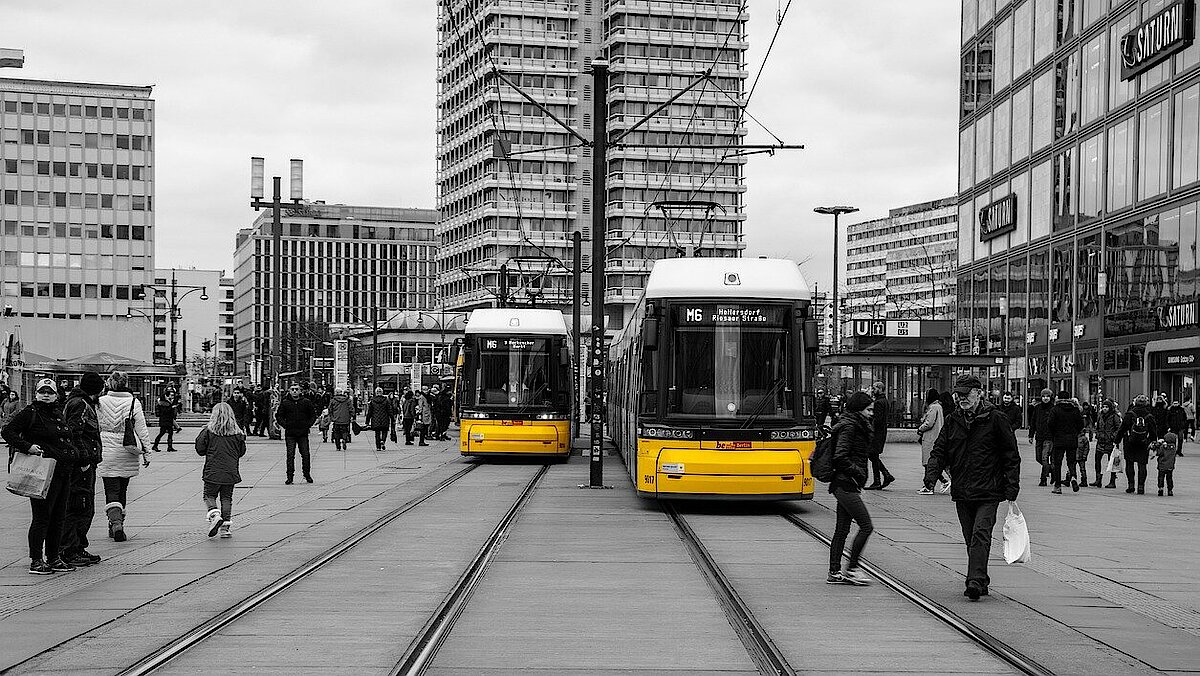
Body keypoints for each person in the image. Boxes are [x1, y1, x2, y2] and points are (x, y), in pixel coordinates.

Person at [923, 374, 1021, 601]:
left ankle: (974, 581)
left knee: (980, 534)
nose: (962, 398)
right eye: (959, 394)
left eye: (967, 394)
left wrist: (1011, 487)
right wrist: (932, 474)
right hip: (963, 489)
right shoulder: (953, 419)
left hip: (989, 489)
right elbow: (940, 449)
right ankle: (981, 578)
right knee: (971, 538)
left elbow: (1011, 455)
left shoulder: (996, 418)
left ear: (979, 393)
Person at [2, 379, 76, 574]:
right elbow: (7, 431)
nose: (45, 395)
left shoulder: (58, 413)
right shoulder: (30, 412)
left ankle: (53, 557)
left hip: (62, 472)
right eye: (42, 391)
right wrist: (28, 447)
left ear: (56, 395)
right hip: (42, 472)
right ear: (36, 393)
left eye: (49, 392)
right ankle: (36, 559)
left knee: (58, 517)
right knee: (42, 517)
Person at [825, 391, 875, 586]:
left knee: (842, 529)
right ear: (858, 410)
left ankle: (834, 572)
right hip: (845, 483)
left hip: (847, 483)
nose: (871, 413)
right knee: (866, 526)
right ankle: (852, 569)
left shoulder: (856, 425)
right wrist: (858, 473)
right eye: (869, 410)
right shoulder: (850, 426)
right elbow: (840, 456)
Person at [96, 371, 152, 542]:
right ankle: (119, 524)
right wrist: (147, 452)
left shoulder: (100, 401)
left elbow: (95, 424)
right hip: (127, 449)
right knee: (123, 489)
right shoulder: (133, 402)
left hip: (106, 449)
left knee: (111, 490)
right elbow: (141, 429)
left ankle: (115, 523)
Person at [60, 372, 105, 568]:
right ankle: (71, 549)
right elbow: (73, 432)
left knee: (82, 504)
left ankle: (76, 546)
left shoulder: (80, 402)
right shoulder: (80, 404)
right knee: (80, 504)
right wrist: (84, 458)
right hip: (81, 465)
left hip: (83, 463)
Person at [195, 402, 247, 538]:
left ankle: (214, 515)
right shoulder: (237, 433)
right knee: (226, 497)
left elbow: (200, 449)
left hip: (212, 470)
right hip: (230, 471)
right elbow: (241, 452)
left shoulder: (208, 431)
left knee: (209, 495)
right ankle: (225, 529)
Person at [1115, 394, 1158, 494]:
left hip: (1130, 442)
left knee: (1129, 463)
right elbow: (1153, 431)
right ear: (1146, 403)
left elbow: (1123, 428)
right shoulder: (1149, 415)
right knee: (1142, 465)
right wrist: (1153, 442)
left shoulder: (1130, 414)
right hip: (1143, 443)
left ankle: (1131, 485)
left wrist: (1117, 440)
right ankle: (1141, 487)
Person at [275, 383, 317, 484]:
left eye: (296, 389)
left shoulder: (306, 402)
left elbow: (313, 415)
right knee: (290, 455)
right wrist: (286, 425)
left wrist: (308, 425)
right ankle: (290, 476)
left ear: (300, 391)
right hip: (290, 433)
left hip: (303, 433)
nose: (294, 391)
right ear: (289, 391)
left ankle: (307, 474)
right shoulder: (285, 403)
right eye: (292, 389)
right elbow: (279, 416)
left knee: (305, 454)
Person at [1045, 391, 1085, 493]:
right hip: (1072, 439)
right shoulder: (1075, 410)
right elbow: (1081, 424)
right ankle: (1072, 476)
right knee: (1071, 461)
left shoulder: (1055, 409)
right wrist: (1075, 432)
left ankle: (1057, 486)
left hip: (1059, 439)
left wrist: (1054, 433)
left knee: (1057, 462)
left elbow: (1050, 423)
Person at [916, 388, 948, 495]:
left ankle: (929, 485)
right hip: (935, 436)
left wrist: (920, 428)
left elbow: (929, 423)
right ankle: (936, 483)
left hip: (930, 438)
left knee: (928, 463)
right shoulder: (939, 407)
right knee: (931, 463)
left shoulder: (933, 407)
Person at [863, 382, 894, 490]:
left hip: (876, 433)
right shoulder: (884, 401)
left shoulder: (879, 402)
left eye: (875, 388)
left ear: (880, 389)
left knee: (873, 455)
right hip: (880, 432)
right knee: (873, 456)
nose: (873, 390)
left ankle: (880, 479)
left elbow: (878, 419)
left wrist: (870, 427)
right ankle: (885, 476)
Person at [1028, 388, 1056, 486]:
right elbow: (1033, 422)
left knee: (1044, 458)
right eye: (1044, 396)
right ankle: (1052, 470)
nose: (1045, 398)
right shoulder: (1037, 408)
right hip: (1039, 436)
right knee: (1038, 458)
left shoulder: (1053, 408)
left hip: (1049, 437)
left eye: (1047, 396)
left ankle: (1043, 479)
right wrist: (1031, 435)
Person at [1093, 399, 1122, 488]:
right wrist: (1097, 434)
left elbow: (1119, 428)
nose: (1105, 409)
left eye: (1106, 407)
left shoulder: (1114, 416)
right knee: (1097, 460)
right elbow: (1097, 427)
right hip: (1101, 440)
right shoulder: (1100, 415)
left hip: (1110, 442)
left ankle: (1112, 481)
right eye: (1103, 407)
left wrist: (1113, 437)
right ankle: (1098, 479)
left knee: (1112, 461)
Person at [1155, 431, 1177, 497]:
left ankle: (1161, 489)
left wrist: (1159, 445)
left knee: (1161, 477)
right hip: (1170, 466)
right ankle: (1170, 490)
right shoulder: (1173, 447)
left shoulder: (1163, 447)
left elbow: (1159, 453)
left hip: (1162, 465)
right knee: (1169, 478)